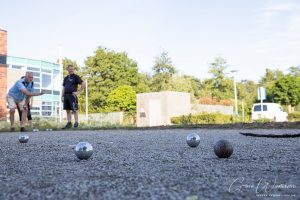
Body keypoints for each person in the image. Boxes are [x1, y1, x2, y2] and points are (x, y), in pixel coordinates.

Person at [61, 64, 85, 129]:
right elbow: (64, 88)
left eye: (72, 69)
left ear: (73, 70)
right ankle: (69, 123)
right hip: (66, 96)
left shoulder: (76, 77)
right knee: (67, 110)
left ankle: (76, 122)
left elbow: (83, 84)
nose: (71, 70)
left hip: (72, 95)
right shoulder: (66, 78)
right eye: (70, 69)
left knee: (74, 109)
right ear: (68, 70)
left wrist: (78, 92)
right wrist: (62, 96)